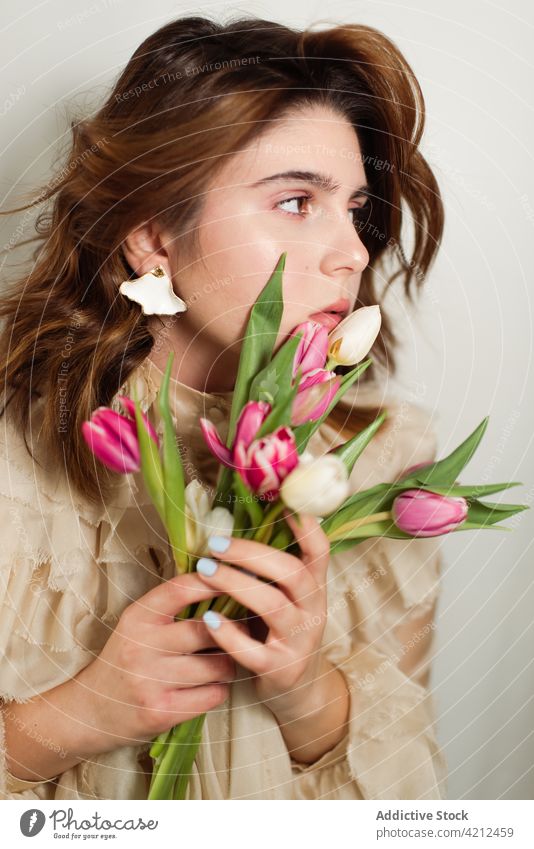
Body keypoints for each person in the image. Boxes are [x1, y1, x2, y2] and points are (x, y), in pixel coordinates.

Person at [0, 16, 447, 800]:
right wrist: (78, 716)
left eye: (354, 208)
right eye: (296, 201)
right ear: (152, 237)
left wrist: (305, 691)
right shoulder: (14, 462)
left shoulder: (386, 459)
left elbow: (412, 811)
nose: (352, 251)